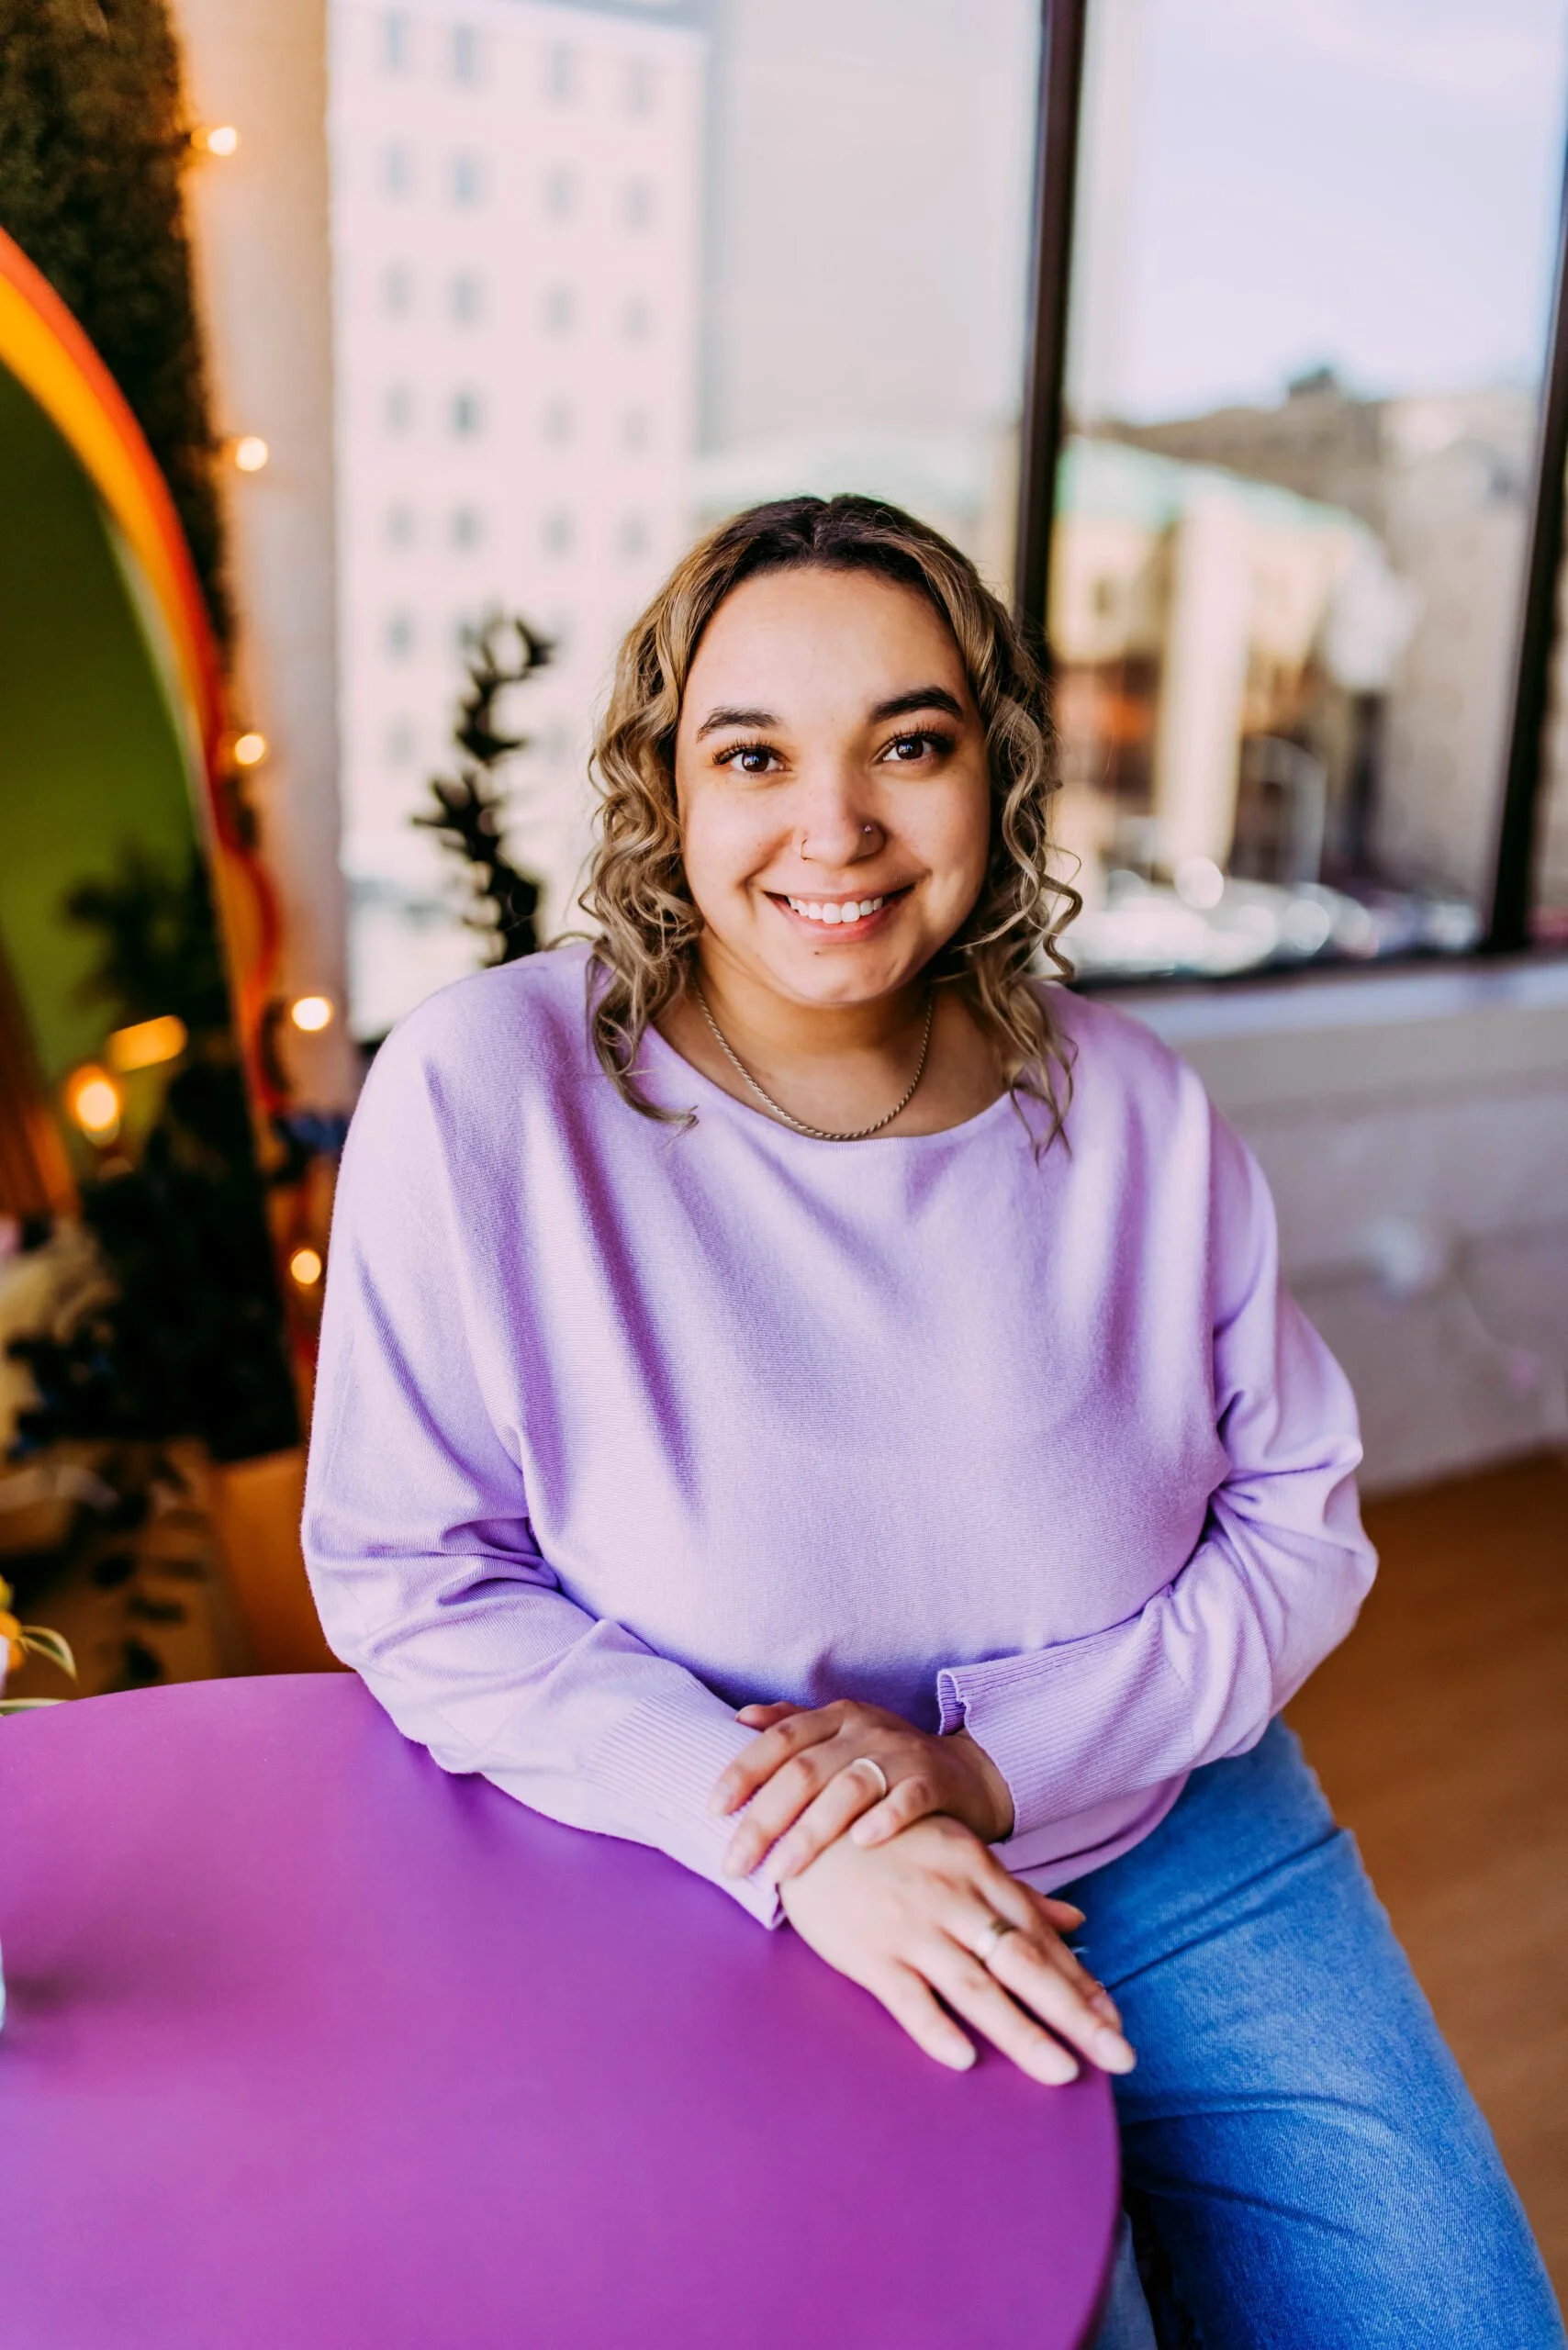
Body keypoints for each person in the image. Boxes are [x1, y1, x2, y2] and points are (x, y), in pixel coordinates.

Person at [303, 495, 1562, 2347]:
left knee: (1461, 2322)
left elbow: (1299, 1523)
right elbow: (412, 1574)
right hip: (726, 1872)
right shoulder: (487, 1096)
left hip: (1170, 1826)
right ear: (666, 784)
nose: (836, 828)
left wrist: (982, 1769)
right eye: (754, 754)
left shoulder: (1130, 1108)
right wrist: (798, 1837)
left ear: (997, 767)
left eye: (908, 741)